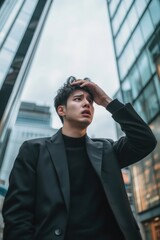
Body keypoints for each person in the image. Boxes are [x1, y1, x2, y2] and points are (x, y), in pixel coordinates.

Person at [2, 76, 157, 240]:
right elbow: (17, 214)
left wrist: (105, 101)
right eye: (78, 99)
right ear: (62, 110)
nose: (86, 104)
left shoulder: (107, 150)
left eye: (90, 101)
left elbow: (145, 141)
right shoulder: (34, 150)